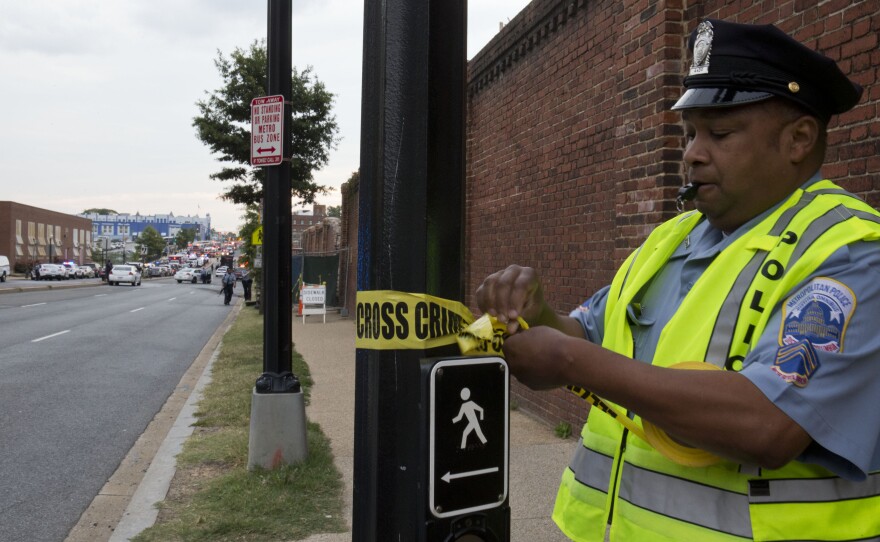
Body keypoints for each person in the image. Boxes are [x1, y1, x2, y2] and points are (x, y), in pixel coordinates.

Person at [476, 19, 879, 542]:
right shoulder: (670, 240)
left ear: (799, 139)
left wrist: (569, 359)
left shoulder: (848, 254)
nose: (692, 152)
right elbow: (594, 337)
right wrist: (538, 316)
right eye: (689, 132)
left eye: (720, 132)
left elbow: (769, 425)